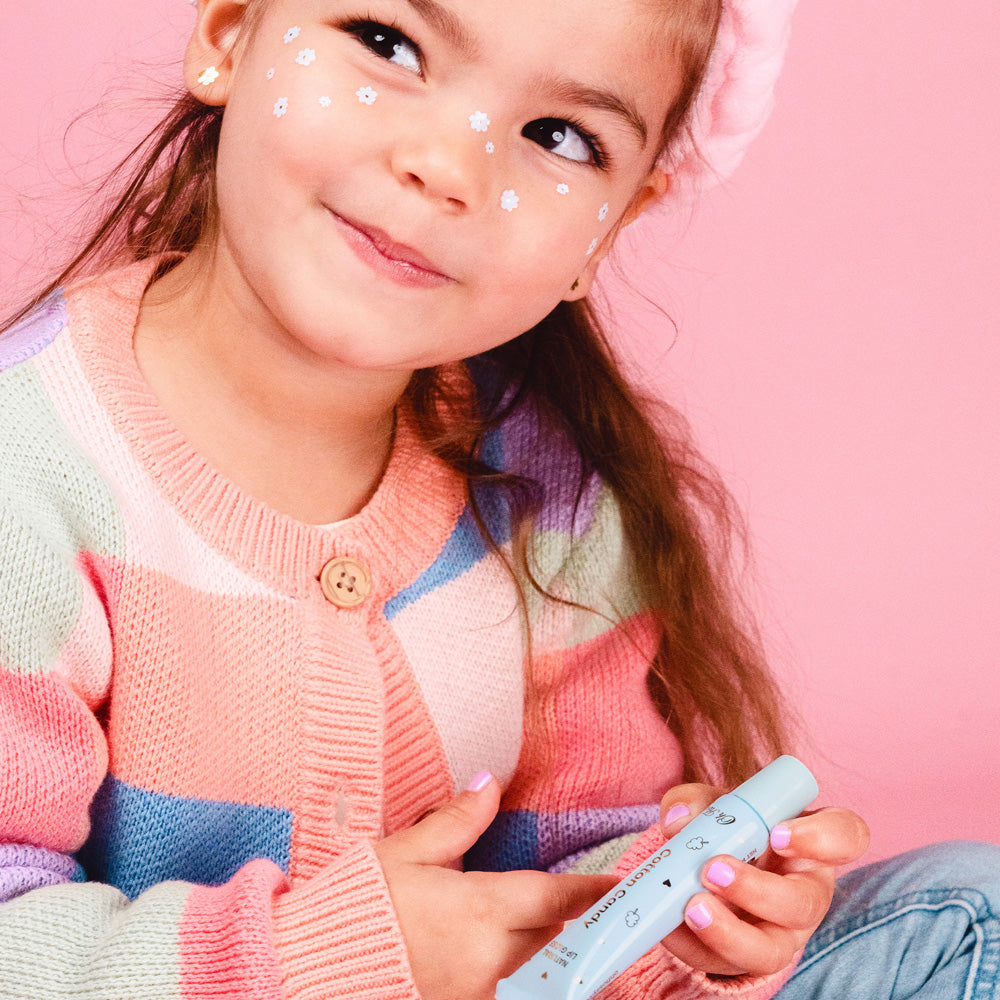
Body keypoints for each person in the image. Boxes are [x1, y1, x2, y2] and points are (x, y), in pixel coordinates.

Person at [0, 0, 996, 997]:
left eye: (559, 137)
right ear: (229, 31)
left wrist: (673, 910)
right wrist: (318, 959)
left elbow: (569, 873)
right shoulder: (32, 468)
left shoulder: (543, 487)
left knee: (966, 914)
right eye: (389, 44)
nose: (451, 168)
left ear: (610, 228)